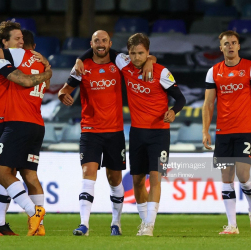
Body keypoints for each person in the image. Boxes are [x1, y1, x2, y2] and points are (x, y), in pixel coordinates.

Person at [76, 33, 186, 236]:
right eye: (133, 53)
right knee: (136, 181)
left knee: (155, 178)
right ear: (128, 54)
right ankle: (144, 222)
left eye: (141, 54)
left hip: (159, 134)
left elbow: (180, 99)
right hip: (136, 133)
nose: (136, 57)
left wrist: (173, 111)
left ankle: (149, 225)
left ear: (148, 52)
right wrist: (79, 59)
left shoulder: (161, 72)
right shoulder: (123, 64)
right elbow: (98, 50)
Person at [59, 30, 155, 236]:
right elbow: (64, 89)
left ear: (110, 43)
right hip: (90, 130)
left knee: (115, 180)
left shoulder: (119, 63)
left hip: (114, 132)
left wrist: (149, 62)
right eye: (96, 41)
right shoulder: (82, 67)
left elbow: (143, 57)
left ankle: (116, 223)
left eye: (104, 40)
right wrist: (62, 95)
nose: (100, 44)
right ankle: (83, 224)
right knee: (88, 174)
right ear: (91, 43)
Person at [0, 26, 52, 236]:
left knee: (7, 173)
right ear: (5, 42)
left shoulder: (19, 61)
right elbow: (25, 80)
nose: (20, 42)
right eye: (16, 39)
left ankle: (1, 223)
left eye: (22, 39)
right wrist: (47, 70)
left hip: (13, 121)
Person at [202, 30, 251, 235]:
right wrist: (205, 130)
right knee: (226, 177)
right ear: (220, 47)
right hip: (223, 131)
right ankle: (232, 225)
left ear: (239, 46)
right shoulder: (214, 71)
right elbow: (208, 104)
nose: (230, 46)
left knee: (242, 174)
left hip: (246, 129)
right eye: (226, 43)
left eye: (233, 43)